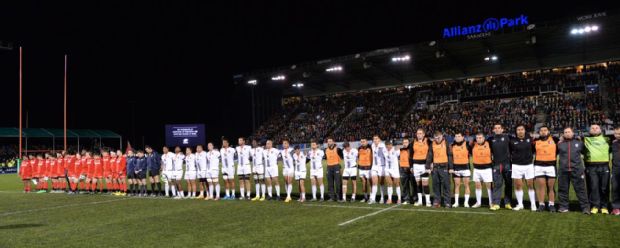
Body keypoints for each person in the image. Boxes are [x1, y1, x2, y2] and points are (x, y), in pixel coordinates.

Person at [557, 127, 590, 214]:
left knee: (581, 189)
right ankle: (564, 207)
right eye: (565, 132)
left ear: (572, 133)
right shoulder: (560, 144)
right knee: (562, 189)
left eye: (569, 132)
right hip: (563, 170)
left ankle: (585, 208)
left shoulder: (579, 143)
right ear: (563, 134)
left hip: (577, 170)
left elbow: (586, 153)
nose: (567, 133)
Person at [583, 124, 611, 214]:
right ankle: (595, 206)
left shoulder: (607, 139)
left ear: (600, 130)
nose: (594, 129)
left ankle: (604, 206)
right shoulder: (585, 139)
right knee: (593, 187)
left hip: (604, 166)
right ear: (589, 130)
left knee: (604, 187)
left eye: (596, 128)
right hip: (591, 167)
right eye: (592, 128)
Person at [510, 125, 536, 211]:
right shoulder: (512, 141)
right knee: (518, 185)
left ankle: (533, 204)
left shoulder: (530, 139)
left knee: (530, 185)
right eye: (518, 130)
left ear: (524, 130)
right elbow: (509, 152)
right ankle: (520, 204)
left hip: (528, 165)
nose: (520, 131)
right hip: (516, 165)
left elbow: (534, 149)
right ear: (516, 131)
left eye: (522, 129)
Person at [533, 126, 559, 212]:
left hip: (551, 166)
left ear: (548, 131)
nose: (543, 132)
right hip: (539, 166)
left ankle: (551, 204)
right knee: (541, 187)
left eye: (545, 130)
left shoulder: (555, 139)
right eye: (541, 130)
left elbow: (559, 149)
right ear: (539, 132)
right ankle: (541, 204)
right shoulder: (535, 141)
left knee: (551, 187)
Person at [488, 123, 513, 210]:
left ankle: (508, 203)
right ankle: (496, 203)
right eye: (496, 128)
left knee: (508, 184)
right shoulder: (491, 139)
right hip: (496, 165)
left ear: (502, 129)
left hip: (507, 164)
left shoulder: (508, 137)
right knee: (497, 184)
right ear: (493, 130)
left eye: (499, 128)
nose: (497, 129)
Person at [430, 131, 453, 208]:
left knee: (446, 186)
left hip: (444, 167)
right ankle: (437, 202)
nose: (437, 139)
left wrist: (451, 167)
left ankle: (447, 202)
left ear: (442, 136)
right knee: (435, 185)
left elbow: (450, 155)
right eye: (435, 138)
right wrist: (428, 166)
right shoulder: (432, 144)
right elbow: (430, 155)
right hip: (435, 168)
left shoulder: (446, 143)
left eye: (438, 137)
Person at [471, 133, 494, 208]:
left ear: (484, 138)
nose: (478, 139)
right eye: (477, 138)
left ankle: (491, 203)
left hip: (487, 169)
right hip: (477, 169)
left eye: (480, 137)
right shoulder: (473, 144)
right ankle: (478, 202)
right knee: (477, 186)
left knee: (489, 186)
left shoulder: (489, 143)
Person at [411, 129, 432, 207]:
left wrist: (430, 164)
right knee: (418, 184)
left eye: (420, 133)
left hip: (424, 165)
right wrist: (411, 166)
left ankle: (428, 201)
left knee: (425, 184)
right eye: (417, 133)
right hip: (415, 165)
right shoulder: (413, 142)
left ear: (424, 134)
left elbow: (431, 153)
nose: (419, 135)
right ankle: (420, 201)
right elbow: (411, 154)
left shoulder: (428, 141)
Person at [451, 132, 471, 208]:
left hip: (466, 168)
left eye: (459, 136)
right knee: (456, 185)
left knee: (466, 185)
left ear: (463, 137)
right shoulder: (452, 145)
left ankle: (466, 203)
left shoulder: (467, 144)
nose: (457, 138)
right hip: (456, 168)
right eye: (456, 136)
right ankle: (456, 202)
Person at [369, 135, 387, 204]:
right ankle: (373, 199)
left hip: (381, 166)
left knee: (381, 183)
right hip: (374, 166)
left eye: (376, 139)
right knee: (374, 182)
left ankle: (382, 198)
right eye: (374, 139)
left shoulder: (382, 146)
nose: (375, 140)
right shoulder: (373, 145)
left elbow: (386, 155)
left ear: (379, 140)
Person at [324, 137, 343, 202]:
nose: (329, 142)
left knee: (338, 183)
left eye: (330, 141)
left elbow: (342, 157)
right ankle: (332, 197)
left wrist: (340, 167)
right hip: (329, 167)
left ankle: (339, 197)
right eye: (328, 141)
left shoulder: (338, 149)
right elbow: (326, 157)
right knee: (330, 183)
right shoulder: (326, 150)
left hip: (336, 166)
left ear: (333, 142)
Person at [399, 138, 414, 205]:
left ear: (409, 143)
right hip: (403, 169)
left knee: (413, 185)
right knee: (405, 186)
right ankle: (406, 199)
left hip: (411, 169)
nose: (405, 144)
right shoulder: (400, 150)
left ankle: (415, 199)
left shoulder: (412, 150)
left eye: (406, 142)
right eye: (404, 142)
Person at [357, 138, 373, 202]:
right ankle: (365, 197)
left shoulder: (370, 147)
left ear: (366, 141)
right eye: (361, 142)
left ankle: (371, 197)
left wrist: (372, 166)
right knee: (364, 183)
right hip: (361, 168)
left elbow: (372, 157)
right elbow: (358, 157)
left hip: (368, 168)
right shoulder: (359, 148)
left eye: (363, 141)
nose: (362, 143)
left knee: (370, 183)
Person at [612, 127, 620, 215]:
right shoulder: (613, 143)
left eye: (619, 133)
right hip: (616, 169)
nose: (618, 135)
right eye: (616, 133)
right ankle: (616, 207)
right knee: (615, 188)